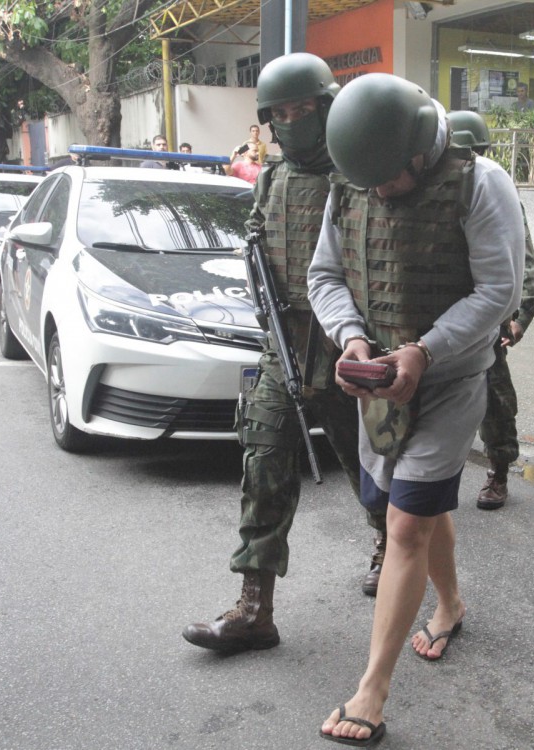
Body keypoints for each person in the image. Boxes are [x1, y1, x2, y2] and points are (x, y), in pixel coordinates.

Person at [311, 73, 523, 746]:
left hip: (450, 379)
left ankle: (371, 692)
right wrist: (351, 337)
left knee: (404, 523)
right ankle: (450, 605)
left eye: (387, 181)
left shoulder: (480, 183)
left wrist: (426, 351)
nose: (376, 195)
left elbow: (499, 289)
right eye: (366, 183)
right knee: (415, 504)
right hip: (379, 381)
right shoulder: (352, 180)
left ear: (419, 152)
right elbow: (325, 274)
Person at [182, 53, 389, 657]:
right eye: (284, 114)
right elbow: (258, 244)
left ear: (327, 109)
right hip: (283, 345)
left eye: (305, 110)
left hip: (347, 346)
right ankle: (254, 609)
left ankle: (390, 544)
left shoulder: (360, 175)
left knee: (370, 465)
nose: (294, 122)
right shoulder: (271, 179)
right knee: (264, 468)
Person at [446, 110, 534, 511]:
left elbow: (524, 262)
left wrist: (520, 319)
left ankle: (499, 471)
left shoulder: (495, 191)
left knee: (495, 399)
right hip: (442, 313)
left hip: (487, 315)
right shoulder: (431, 194)